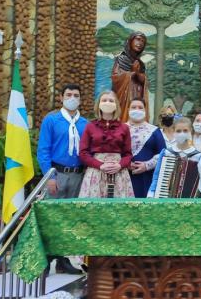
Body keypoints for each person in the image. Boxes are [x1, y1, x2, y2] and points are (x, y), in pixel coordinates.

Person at [36, 83, 87, 274]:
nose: (72, 98)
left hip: (78, 175)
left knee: (69, 217)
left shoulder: (85, 124)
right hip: (56, 174)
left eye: (76, 95)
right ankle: (46, 259)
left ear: (80, 99)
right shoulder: (52, 120)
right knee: (51, 217)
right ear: (61, 98)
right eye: (68, 94)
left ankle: (64, 258)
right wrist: (49, 175)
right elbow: (43, 150)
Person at [78, 90, 134, 198]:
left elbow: (128, 154)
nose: (107, 103)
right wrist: (100, 165)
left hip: (119, 173)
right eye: (104, 100)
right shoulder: (90, 126)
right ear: (98, 104)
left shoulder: (124, 128)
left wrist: (120, 165)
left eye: (111, 100)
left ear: (116, 105)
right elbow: (83, 153)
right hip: (96, 172)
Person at [147, 117, 201, 198]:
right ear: (174, 132)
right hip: (166, 197)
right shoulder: (166, 153)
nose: (182, 133)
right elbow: (156, 177)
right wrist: (151, 193)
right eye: (178, 131)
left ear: (191, 131)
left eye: (185, 131)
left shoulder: (198, 156)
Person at [127, 98, 166, 198]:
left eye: (140, 107)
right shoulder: (120, 129)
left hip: (147, 177)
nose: (137, 110)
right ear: (128, 110)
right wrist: (125, 163)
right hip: (124, 176)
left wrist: (147, 165)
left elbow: (163, 154)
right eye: (134, 107)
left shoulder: (154, 131)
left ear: (145, 111)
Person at [111, 31, 148, 123]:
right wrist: (130, 74)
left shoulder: (140, 64)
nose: (140, 43)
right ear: (130, 41)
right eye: (138, 40)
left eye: (143, 41)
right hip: (123, 97)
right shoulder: (121, 59)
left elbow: (143, 81)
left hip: (137, 96)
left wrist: (137, 73)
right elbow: (115, 78)